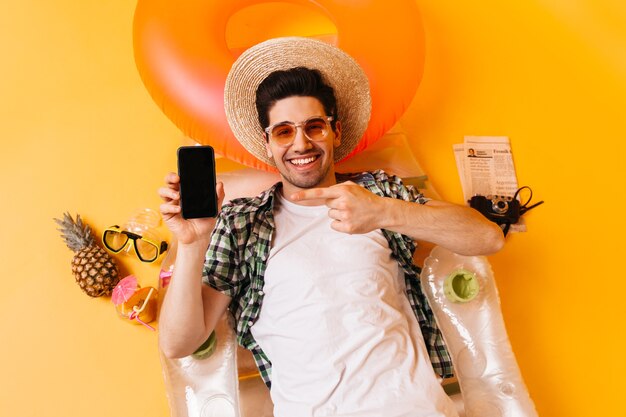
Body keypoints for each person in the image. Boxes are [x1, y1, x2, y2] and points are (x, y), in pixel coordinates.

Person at [158, 37, 504, 417]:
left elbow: (486, 237)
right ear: (268, 143)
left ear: (335, 131)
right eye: (284, 131)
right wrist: (192, 243)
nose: (301, 143)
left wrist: (384, 212)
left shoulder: (377, 192)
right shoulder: (243, 222)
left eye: (314, 127)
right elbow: (179, 343)